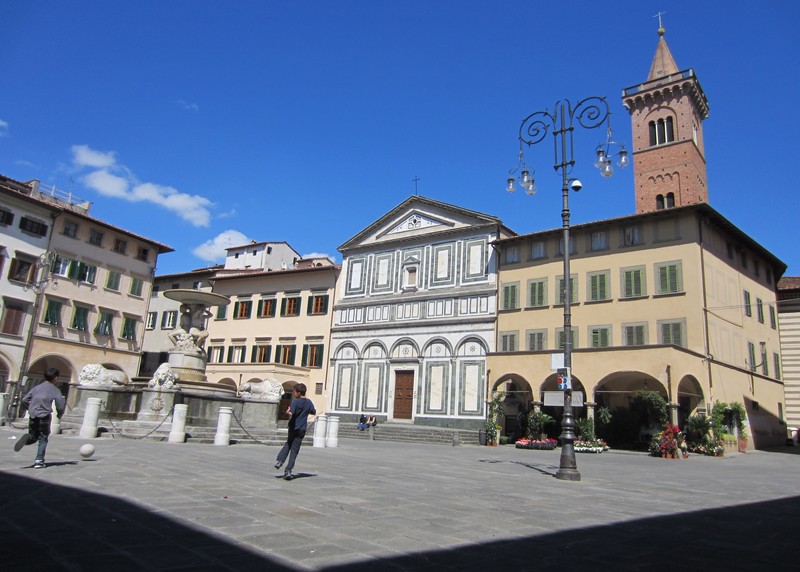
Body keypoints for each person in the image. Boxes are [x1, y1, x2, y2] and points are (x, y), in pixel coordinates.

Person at [14, 367, 66, 469]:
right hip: (45, 416)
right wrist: (60, 414)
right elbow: (60, 404)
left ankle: (28, 439)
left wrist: (26, 409)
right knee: (43, 438)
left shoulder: (36, 388)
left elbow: (25, 399)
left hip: (33, 415)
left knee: (33, 436)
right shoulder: (55, 390)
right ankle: (39, 461)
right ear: (55, 378)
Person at [274, 383, 316, 480]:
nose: (293, 393)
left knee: (288, 444)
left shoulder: (296, 402)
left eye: (294, 392)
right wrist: (306, 411)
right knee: (295, 450)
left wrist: (288, 411)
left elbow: (291, 412)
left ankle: (280, 461)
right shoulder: (309, 402)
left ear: (297, 393)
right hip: (302, 429)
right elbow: (313, 411)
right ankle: (288, 470)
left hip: (293, 427)